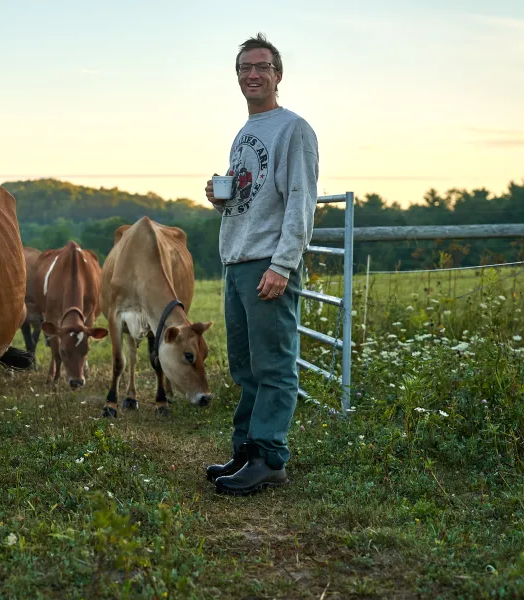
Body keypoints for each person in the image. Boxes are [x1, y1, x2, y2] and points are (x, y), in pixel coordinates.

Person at [204, 33, 319, 495]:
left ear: (278, 74)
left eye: (261, 67)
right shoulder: (245, 132)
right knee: (245, 367)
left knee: (274, 366)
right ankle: (245, 450)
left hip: (267, 263)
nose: (252, 74)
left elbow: (300, 201)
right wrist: (221, 198)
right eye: (244, 68)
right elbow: (253, 196)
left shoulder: (294, 129)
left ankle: (270, 456)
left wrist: (283, 264)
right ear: (237, 77)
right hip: (236, 259)